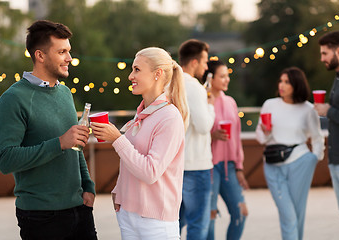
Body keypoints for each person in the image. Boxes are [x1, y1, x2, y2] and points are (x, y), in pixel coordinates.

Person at [0, 20, 97, 240]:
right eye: (62, 52)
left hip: (79, 208)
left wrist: (88, 185)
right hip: (40, 217)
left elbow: (75, 145)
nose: (69, 58)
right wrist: (59, 143)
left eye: (69, 51)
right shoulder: (12, 100)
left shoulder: (65, 94)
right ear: (40, 56)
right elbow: (5, 159)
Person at [91, 47, 188, 240]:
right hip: (128, 214)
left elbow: (150, 171)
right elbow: (132, 157)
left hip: (156, 222)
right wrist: (119, 189)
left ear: (157, 74)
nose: (130, 76)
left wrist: (117, 139)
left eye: (137, 70)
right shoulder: (143, 114)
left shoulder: (169, 117)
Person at [255, 67, 325, 240]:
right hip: (272, 165)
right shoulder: (269, 104)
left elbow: (317, 138)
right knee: (289, 215)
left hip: (300, 163)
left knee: (297, 212)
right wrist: (266, 131)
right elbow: (260, 138)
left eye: (287, 82)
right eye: (281, 81)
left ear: (297, 84)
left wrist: (314, 158)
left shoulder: (308, 109)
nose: (282, 85)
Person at [202, 60, 249, 240]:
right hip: (209, 166)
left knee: (242, 213)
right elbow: (195, 133)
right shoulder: (203, 100)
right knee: (210, 215)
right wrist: (212, 136)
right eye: (222, 76)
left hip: (230, 166)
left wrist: (239, 167)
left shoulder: (231, 102)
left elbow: (236, 136)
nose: (227, 79)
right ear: (210, 78)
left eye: (227, 75)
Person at [178, 39, 215, 239]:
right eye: (204, 61)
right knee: (198, 224)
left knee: (175, 223)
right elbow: (203, 127)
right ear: (194, 62)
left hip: (176, 164)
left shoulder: (169, 83)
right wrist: (210, 106)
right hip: (196, 165)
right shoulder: (194, 87)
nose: (206, 66)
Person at [316, 31, 339, 216]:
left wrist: (328, 111)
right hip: (336, 159)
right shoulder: (337, 78)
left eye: (325, 53)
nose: (322, 58)